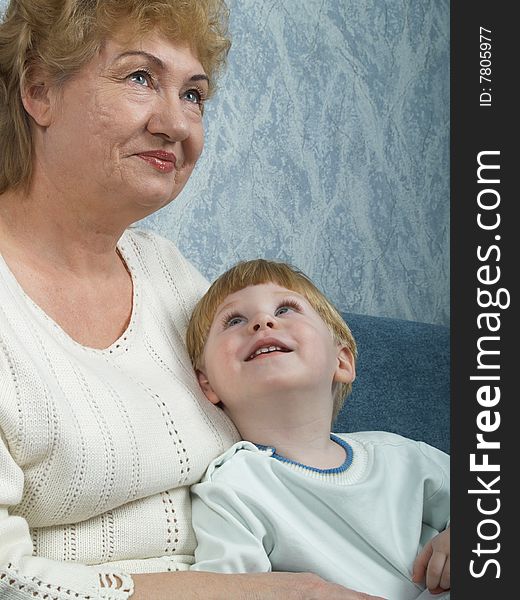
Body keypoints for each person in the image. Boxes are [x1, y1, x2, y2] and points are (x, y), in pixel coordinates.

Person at [0, 1, 390, 599]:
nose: (177, 125)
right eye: (140, 78)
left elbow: (303, 447)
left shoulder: (173, 277)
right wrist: (275, 595)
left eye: (194, 95)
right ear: (39, 92)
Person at [186, 259, 451, 600]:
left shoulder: (399, 454)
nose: (262, 322)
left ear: (341, 361)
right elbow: (228, 590)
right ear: (207, 383)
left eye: (286, 309)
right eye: (234, 320)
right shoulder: (233, 487)